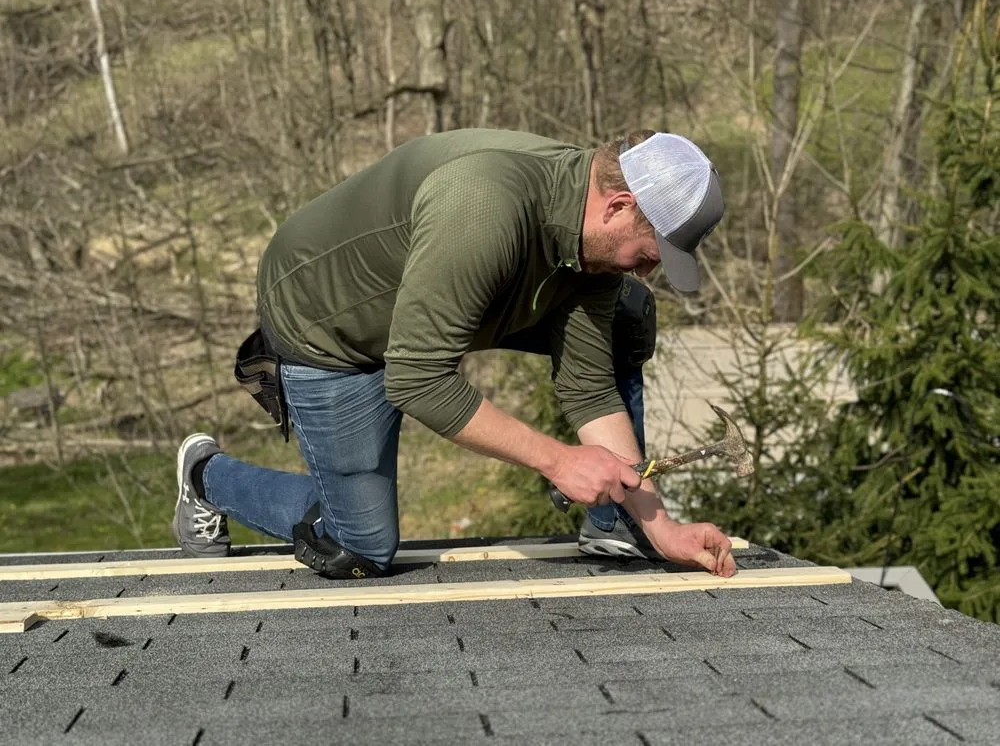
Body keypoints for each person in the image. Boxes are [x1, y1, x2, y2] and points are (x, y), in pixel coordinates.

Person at [172, 128, 737, 580]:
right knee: (361, 548)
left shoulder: (588, 242)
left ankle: (615, 520)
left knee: (628, 311)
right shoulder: (486, 208)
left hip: (440, 298)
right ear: (617, 205)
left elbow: (588, 389)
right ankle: (206, 477)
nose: (647, 269)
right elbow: (418, 380)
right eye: (650, 252)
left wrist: (661, 528)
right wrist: (559, 461)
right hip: (329, 319)